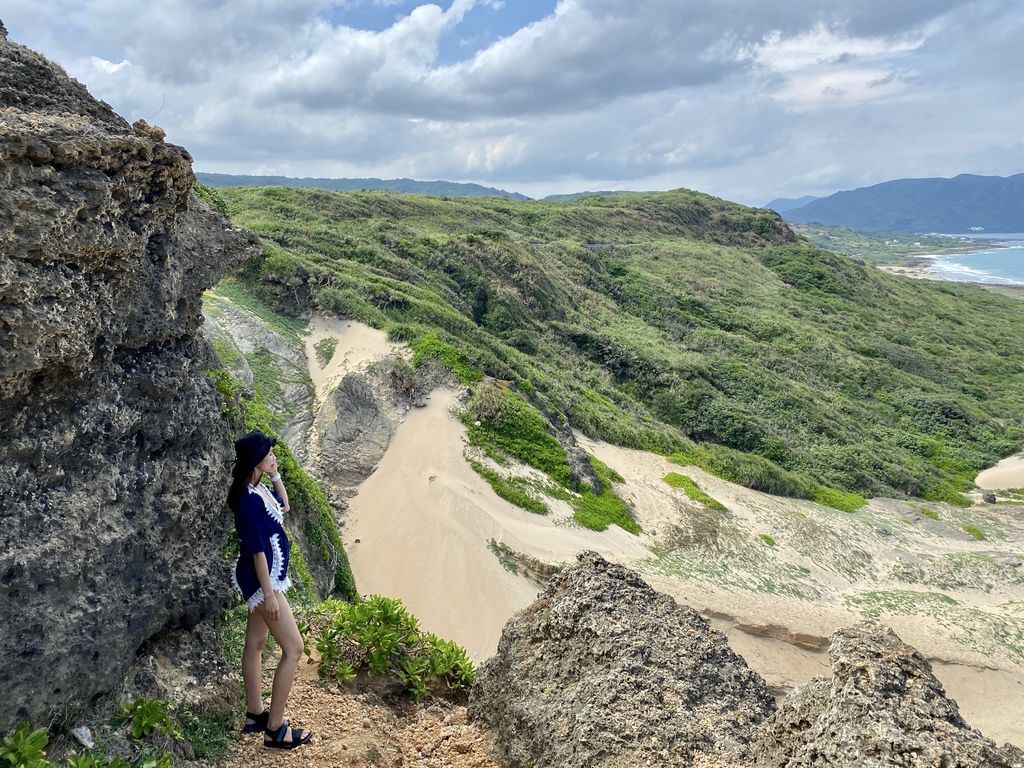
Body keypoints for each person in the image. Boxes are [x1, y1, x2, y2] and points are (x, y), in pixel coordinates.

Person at [227, 429, 313, 750]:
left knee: (256, 642)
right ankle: (275, 729)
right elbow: (257, 549)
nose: (274, 455)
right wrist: (270, 594)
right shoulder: (248, 502)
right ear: (255, 460)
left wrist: (275, 475)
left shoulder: (257, 489)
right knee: (294, 648)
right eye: (269, 453)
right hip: (263, 581)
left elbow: (285, 505)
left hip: (264, 579)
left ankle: (255, 714)